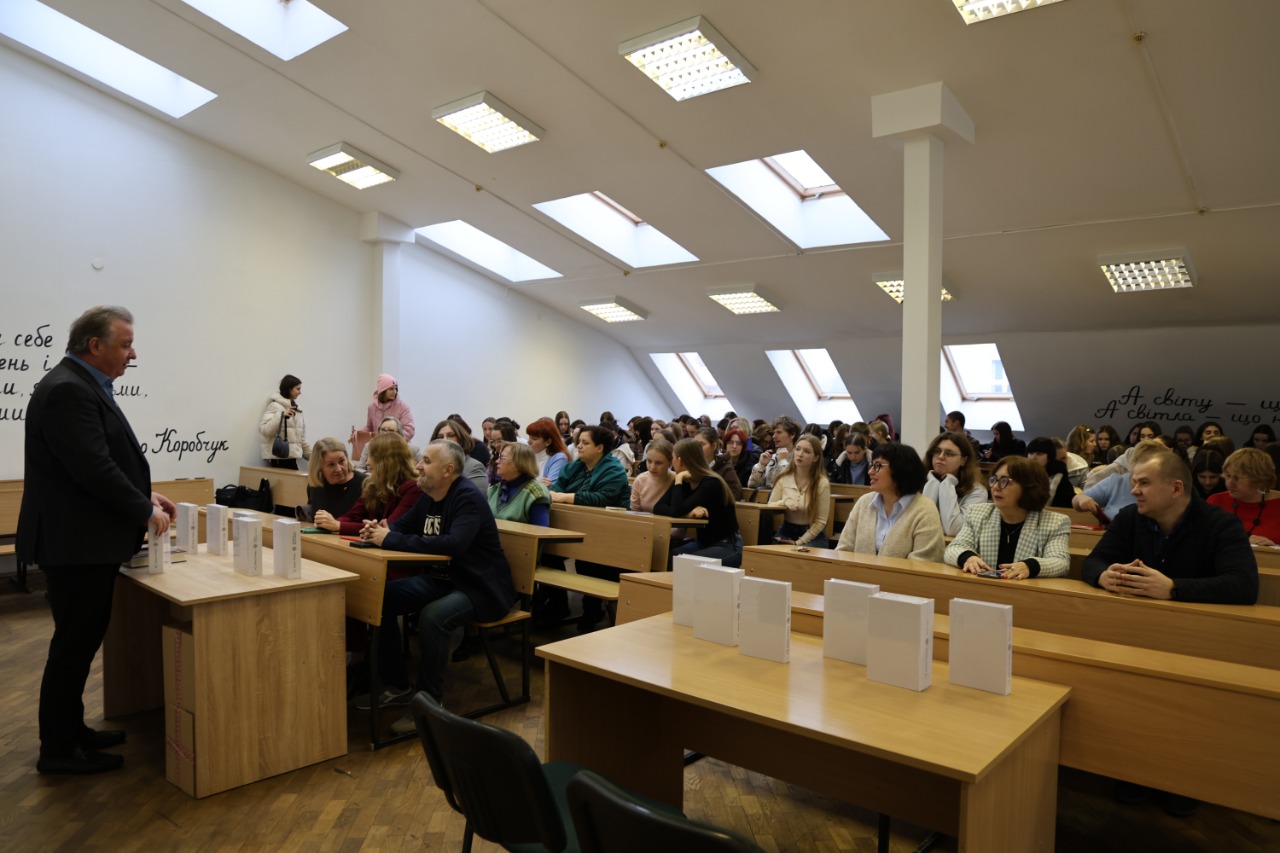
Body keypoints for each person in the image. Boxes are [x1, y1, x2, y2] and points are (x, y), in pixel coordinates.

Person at [18, 306, 177, 774]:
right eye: (126, 344)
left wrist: (143, 494)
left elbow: (97, 461)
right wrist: (142, 509)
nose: (133, 353)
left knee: (79, 642)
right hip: (77, 544)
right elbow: (92, 468)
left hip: (81, 541)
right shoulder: (68, 389)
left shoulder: (78, 384)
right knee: (73, 645)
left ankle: (71, 731)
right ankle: (58, 749)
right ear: (95, 345)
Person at [361, 440, 517, 735]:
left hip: (480, 587)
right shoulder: (428, 496)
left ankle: (429, 706)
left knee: (433, 617)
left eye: (426, 461)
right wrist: (380, 529)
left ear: (448, 470)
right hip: (444, 580)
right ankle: (397, 685)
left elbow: (454, 545)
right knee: (378, 598)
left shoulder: (467, 498)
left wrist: (390, 539)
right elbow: (401, 526)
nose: (418, 466)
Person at [1082, 453, 1258, 605]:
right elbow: (1093, 561)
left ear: (1176, 489)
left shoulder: (1222, 525)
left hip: (1196, 624)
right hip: (1133, 614)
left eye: (1144, 483)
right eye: (1134, 483)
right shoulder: (1129, 517)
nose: (1134, 491)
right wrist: (1104, 576)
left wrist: (1173, 588)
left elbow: (1244, 585)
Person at [546, 425, 632, 631]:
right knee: (547, 553)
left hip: (607, 531)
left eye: (585, 443)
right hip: (573, 525)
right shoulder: (576, 466)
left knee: (590, 563)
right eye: (579, 442)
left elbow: (602, 498)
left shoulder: (613, 469)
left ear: (600, 448)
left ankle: (591, 609)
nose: (578, 446)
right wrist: (558, 495)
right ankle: (557, 604)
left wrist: (565, 497)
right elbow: (555, 490)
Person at [945, 456, 1070, 579]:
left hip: (1024, 590)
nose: (995, 487)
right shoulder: (977, 513)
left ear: (1029, 487)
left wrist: (1030, 566)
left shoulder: (1055, 523)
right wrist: (968, 557)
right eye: (994, 480)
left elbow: (1061, 562)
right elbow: (954, 548)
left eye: (1005, 481)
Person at [836, 443, 944, 561]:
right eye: (872, 465)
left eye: (878, 466)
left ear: (901, 470)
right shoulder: (864, 502)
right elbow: (843, 550)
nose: (870, 472)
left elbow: (922, 563)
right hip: (857, 573)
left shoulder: (925, 510)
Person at [654, 438, 742, 566]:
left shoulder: (711, 483)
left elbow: (676, 511)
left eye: (673, 458)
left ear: (680, 460)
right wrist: (688, 514)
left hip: (728, 545)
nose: (672, 462)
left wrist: (678, 478)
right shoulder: (684, 481)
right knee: (672, 556)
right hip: (704, 543)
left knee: (686, 563)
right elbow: (658, 507)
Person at [315, 433, 422, 537]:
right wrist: (328, 523)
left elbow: (387, 529)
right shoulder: (373, 485)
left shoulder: (414, 489)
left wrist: (338, 526)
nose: (367, 462)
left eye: (371, 456)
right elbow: (353, 516)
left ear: (387, 461)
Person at [1074, 439, 1168, 521]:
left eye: (1144, 482)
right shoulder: (1116, 482)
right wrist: (1081, 499)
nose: (1135, 490)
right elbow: (1077, 501)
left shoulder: (1165, 491)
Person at [767, 434, 831, 547]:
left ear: (815, 458)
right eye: (797, 449)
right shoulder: (783, 477)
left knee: (801, 552)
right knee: (774, 552)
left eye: (807, 451)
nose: (800, 454)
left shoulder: (822, 482)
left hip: (812, 533)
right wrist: (784, 502)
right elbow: (770, 505)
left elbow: (820, 522)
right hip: (787, 529)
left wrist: (798, 543)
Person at [1207, 448, 1279, 546]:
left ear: (1259, 480)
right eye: (1228, 476)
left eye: (1237, 478)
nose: (1230, 483)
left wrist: (1274, 549)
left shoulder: (1277, 504)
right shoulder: (1216, 501)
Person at [921, 432, 988, 536]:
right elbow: (920, 525)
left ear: (963, 460)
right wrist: (932, 484)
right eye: (937, 451)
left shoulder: (977, 491)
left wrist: (948, 483)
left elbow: (954, 529)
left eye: (949, 454)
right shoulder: (919, 483)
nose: (941, 457)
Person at [487, 441, 551, 526]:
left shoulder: (536, 492)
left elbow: (541, 530)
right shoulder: (494, 489)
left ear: (518, 463)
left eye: (502, 458)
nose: (497, 461)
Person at [306, 437, 367, 519]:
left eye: (342, 461)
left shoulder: (364, 484)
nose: (338, 469)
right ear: (319, 467)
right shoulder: (316, 485)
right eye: (331, 464)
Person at [259, 374, 309, 470]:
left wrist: (315, 457)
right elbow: (265, 430)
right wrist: (281, 415)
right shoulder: (275, 406)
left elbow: (301, 440)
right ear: (289, 389)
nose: (300, 392)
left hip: (292, 460)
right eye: (298, 389)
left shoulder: (298, 410)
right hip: (279, 460)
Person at [430, 419, 489, 492]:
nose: (445, 439)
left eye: (451, 435)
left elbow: (477, 497)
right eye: (440, 437)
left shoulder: (474, 467)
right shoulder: (430, 467)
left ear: (460, 438)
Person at [748, 416, 800, 489]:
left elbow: (788, 485)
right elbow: (752, 485)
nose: (774, 436)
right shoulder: (771, 457)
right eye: (774, 433)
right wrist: (761, 465)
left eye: (779, 432)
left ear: (792, 435)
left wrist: (782, 462)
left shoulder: (799, 458)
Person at [362, 374, 415, 442]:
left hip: (398, 447)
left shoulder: (403, 407)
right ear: (382, 390)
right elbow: (369, 428)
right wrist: (357, 434)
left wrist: (392, 442)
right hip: (379, 446)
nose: (394, 392)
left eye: (395, 389)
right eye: (391, 389)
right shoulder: (371, 408)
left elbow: (409, 430)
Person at [695, 427, 743, 500]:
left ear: (713, 446)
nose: (697, 448)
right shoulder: (693, 464)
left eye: (702, 444)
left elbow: (735, 495)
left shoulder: (726, 469)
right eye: (695, 444)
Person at [355, 416, 420, 471]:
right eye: (383, 429)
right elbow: (359, 469)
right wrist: (370, 476)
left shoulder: (412, 450)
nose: (385, 433)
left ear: (399, 434)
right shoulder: (369, 446)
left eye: (391, 430)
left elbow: (419, 472)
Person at [1027, 437, 1076, 508]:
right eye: (1031, 453)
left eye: (1039, 454)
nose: (1033, 458)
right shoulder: (1022, 473)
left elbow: (1067, 502)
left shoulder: (1059, 476)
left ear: (1049, 455)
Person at [630, 439, 674, 512]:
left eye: (658, 463)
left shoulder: (677, 480)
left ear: (670, 463)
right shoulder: (640, 480)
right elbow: (635, 511)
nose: (652, 467)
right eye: (649, 461)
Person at [525, 417, 571, 486]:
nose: (528, 441)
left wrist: (531, 484)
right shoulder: (529, 455)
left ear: (548, 442)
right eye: (529, 437)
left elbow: (550, 487)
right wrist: (538, 483)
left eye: (534, 439)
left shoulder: (559, 458)